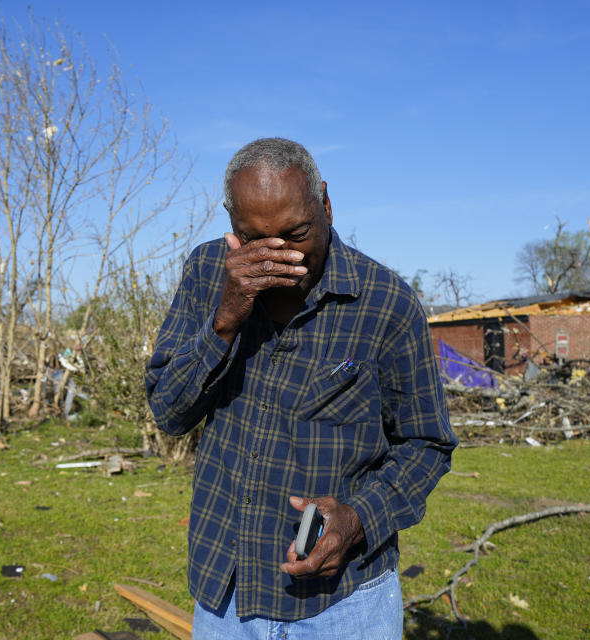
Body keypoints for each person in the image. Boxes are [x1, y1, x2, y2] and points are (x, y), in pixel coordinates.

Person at [145, 137, 457, 639]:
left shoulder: (386, 304)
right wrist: (225, 319)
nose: (279, 258)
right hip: (226, 595)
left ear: (327, 204)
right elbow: (168, 410)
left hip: (345, 604)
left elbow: (426, 445)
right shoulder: (208, 273)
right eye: (255, 240)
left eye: (296, 233)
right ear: (231, 223)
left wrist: (358, 519)